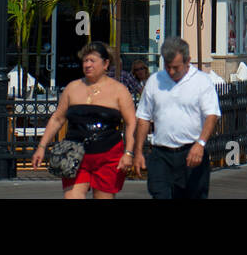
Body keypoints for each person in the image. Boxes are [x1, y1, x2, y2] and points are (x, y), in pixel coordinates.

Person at [32, 41, 137, 199]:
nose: (87, 65)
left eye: (92, 61)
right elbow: (57, 119)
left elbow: (131, 123)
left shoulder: (119, 90)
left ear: (105, 63)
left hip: (107, 155)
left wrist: (128, 152)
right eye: (85, 61)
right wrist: (41, 146)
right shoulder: (72, 88)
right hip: (75, 154)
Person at [133, 37, 220, 200]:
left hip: (191, 152)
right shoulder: (154, 81)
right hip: (161, 153)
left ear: (188, 61)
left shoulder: (202, 81)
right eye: (167, 67)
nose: (171, 72)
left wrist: (200, 144)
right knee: (159, 194)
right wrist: (138, 151)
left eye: (176, 68)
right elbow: (144, 117)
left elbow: (212, 114)